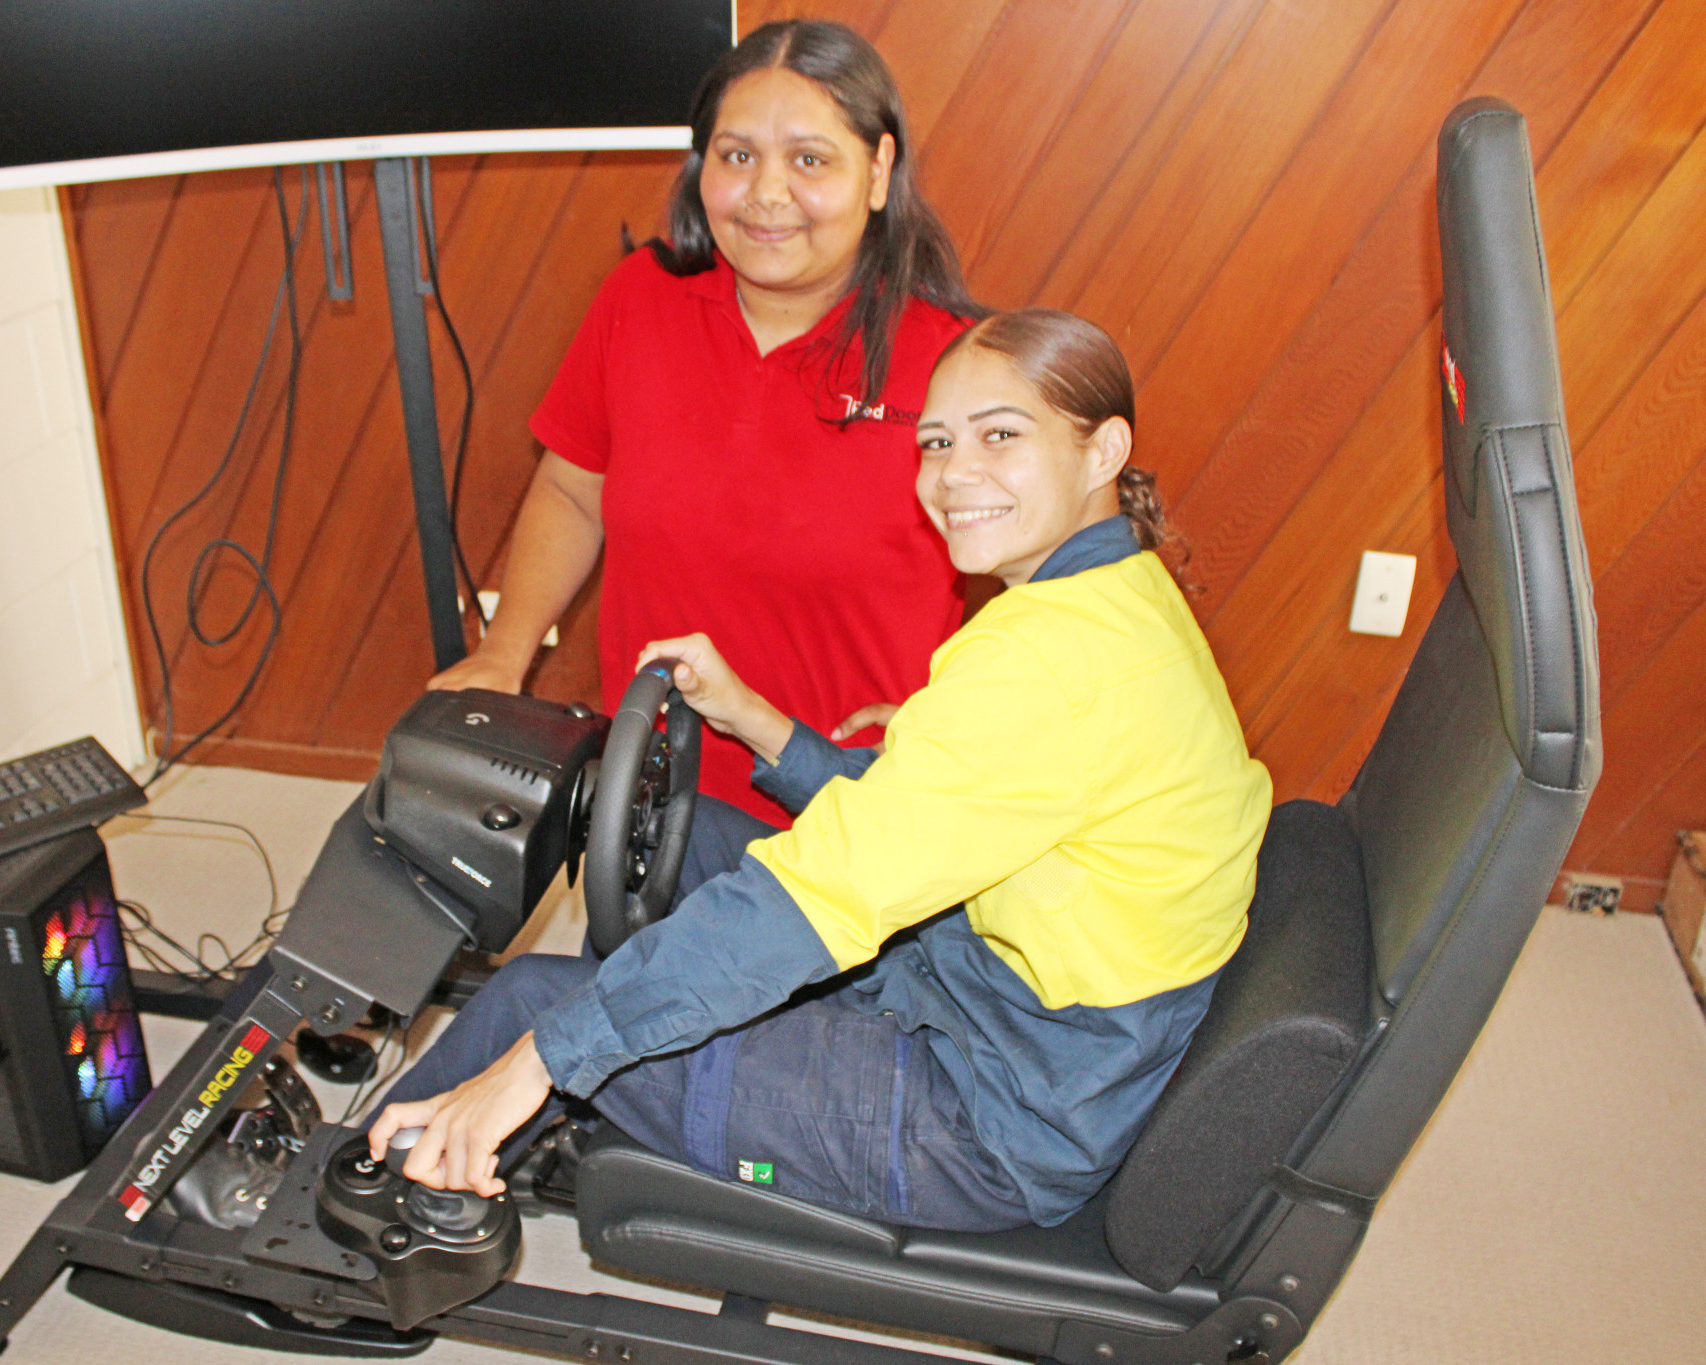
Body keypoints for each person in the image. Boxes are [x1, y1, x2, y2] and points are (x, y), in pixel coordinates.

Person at [366, 309, 1273, 1231]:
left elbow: (817, 900)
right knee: (689, 852)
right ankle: (573, 1099)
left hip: (996, 1115)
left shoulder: (1045, 662)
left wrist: (543, 1060)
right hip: (992, 1000)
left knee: (535, 1006)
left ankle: (353, 1220)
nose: (956, 472)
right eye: (936, 440)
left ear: (1102, 450)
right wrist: (755, 719)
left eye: (1001, 435)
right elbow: (918, 814)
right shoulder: (1104, 594)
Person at [427, 20, 983, 829]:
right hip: (652, 797)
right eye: (737, 155)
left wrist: (959, 726)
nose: (765, 193)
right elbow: (574, 492)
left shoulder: (956, 363)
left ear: (878, 170)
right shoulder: (640, 298)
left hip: (845, 816)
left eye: (809, 159)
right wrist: (505, 652)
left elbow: (1050, 578)